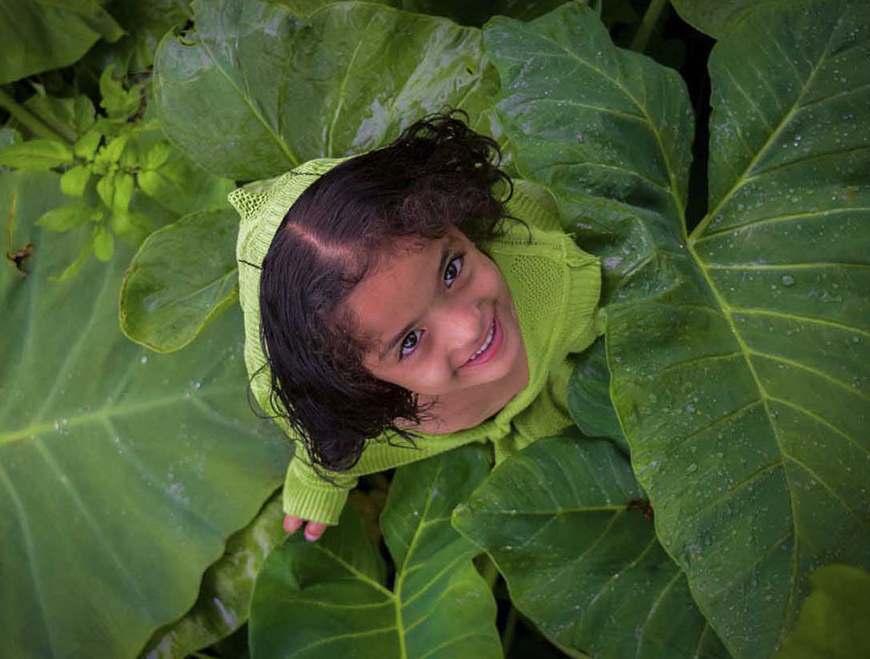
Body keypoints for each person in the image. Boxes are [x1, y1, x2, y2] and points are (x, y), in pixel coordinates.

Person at [229, 114, 604, 541]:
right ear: (353, 385)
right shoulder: (367, 423)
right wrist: (320, 483)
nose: (467, 327)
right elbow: (328, 448)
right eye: (409, 342)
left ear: (456, 221)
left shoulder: (557, 276)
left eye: (451, 270)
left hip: (559, 372)